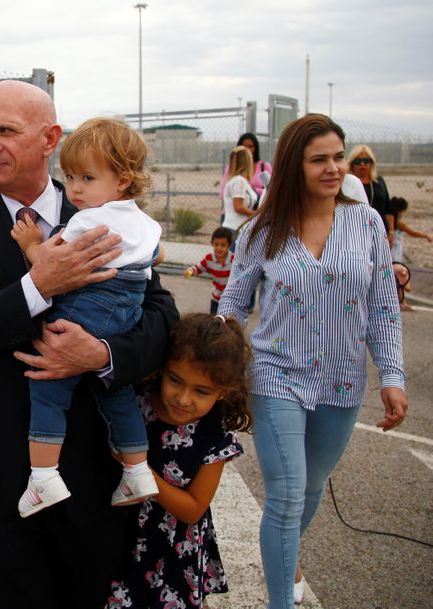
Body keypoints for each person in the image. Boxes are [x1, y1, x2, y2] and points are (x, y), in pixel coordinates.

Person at [0, 80, 179, 609]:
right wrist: (38, 287)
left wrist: (103, 356)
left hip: (94, 473)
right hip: (0, 474)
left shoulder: (107, 211)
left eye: (5, 131)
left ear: (49, 138)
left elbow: (161, 315)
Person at [218, 114, 408, 609]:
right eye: (318, 159)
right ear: (293, 166)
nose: (332, 168)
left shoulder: (365, 222)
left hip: (343, 381)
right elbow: (234, 304)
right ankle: (281, 599)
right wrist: (219, 364)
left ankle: (287, 552)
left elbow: (383, 306)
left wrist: (392, 375)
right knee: (285, 494)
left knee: (311, 488)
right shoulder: (263, 228)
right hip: (276, 374)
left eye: (337, 157)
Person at [11, 117, 163, 517]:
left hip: (86, 310)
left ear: (124, 179)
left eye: (87, 178)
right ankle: (137, 469)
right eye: (70, 176)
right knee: (117, 393)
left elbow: (48, 262)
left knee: (49, 388)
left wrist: (31, 243)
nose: (75, 188)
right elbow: (155, 258)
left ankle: (43, 477)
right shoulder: (146, 223)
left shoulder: (87, 220)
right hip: (124, 318)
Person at [108, 313, 253, 608]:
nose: (183, 399)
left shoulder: (215, 436)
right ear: (162, 368)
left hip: (173, 551)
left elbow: (193, 509)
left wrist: (141, 473)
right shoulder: (137, 404)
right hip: (118, 535)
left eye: (202, 391)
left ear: (225, 391)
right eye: (175, 380)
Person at [220, 132, 272, 221]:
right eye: (244, 147)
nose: (247, 150)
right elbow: (223, 192)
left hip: (254, 213)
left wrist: (254, 191)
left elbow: (271, 190)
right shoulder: (231, 170)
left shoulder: (264, 167)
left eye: (251, 146)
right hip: (234, 217)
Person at [347, 144, 394, 239]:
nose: (362, 164)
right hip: (354, 233)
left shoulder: (379, 182)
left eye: (366, 161)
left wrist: (391, 232)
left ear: (371, 163)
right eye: (358, 161)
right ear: (352, 164)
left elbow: (388, 209)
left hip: (379, 231)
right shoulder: (346, 184)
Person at [184, 226, 235, 314]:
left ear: (229, 246)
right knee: (214, 322)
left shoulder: (234, 260)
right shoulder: (209, 259)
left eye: (223, 245)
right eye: (216, 244)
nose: (219, 248)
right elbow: (198, 268)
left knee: (229, 323)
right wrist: (191, 271)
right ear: (212, 243)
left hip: (231, 299)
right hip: (217, 297)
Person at [221, 145, 258, 233]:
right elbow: (238, 207)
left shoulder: (240, 181)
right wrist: (257, 215)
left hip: (238, 227)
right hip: (235, 228)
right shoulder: (239, 181)